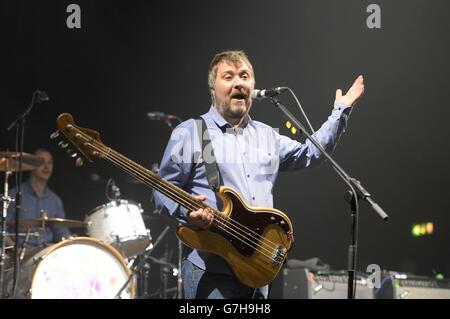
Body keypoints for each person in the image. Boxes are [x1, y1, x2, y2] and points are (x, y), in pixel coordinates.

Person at [152, 50, 364, 299]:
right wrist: (187, 213)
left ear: (253, 86)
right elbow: (161, 189)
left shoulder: (267, 135)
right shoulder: (190, 132)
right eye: (228, 76)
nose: (238, 83)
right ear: (213, 89)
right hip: (211, 271)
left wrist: (341, 112)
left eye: (244, 76)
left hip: (259, 269)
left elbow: (311, 153)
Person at [7, 148, 71, 250]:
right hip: (19, 255)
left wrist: (72, 240)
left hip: (45, 255)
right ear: (31, 165)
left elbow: (61, 232)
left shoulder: (55, 200)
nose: (46, 167)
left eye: (50, 163)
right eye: (41, 162)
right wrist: (16, 250)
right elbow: (2, 230)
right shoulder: (14, 195)